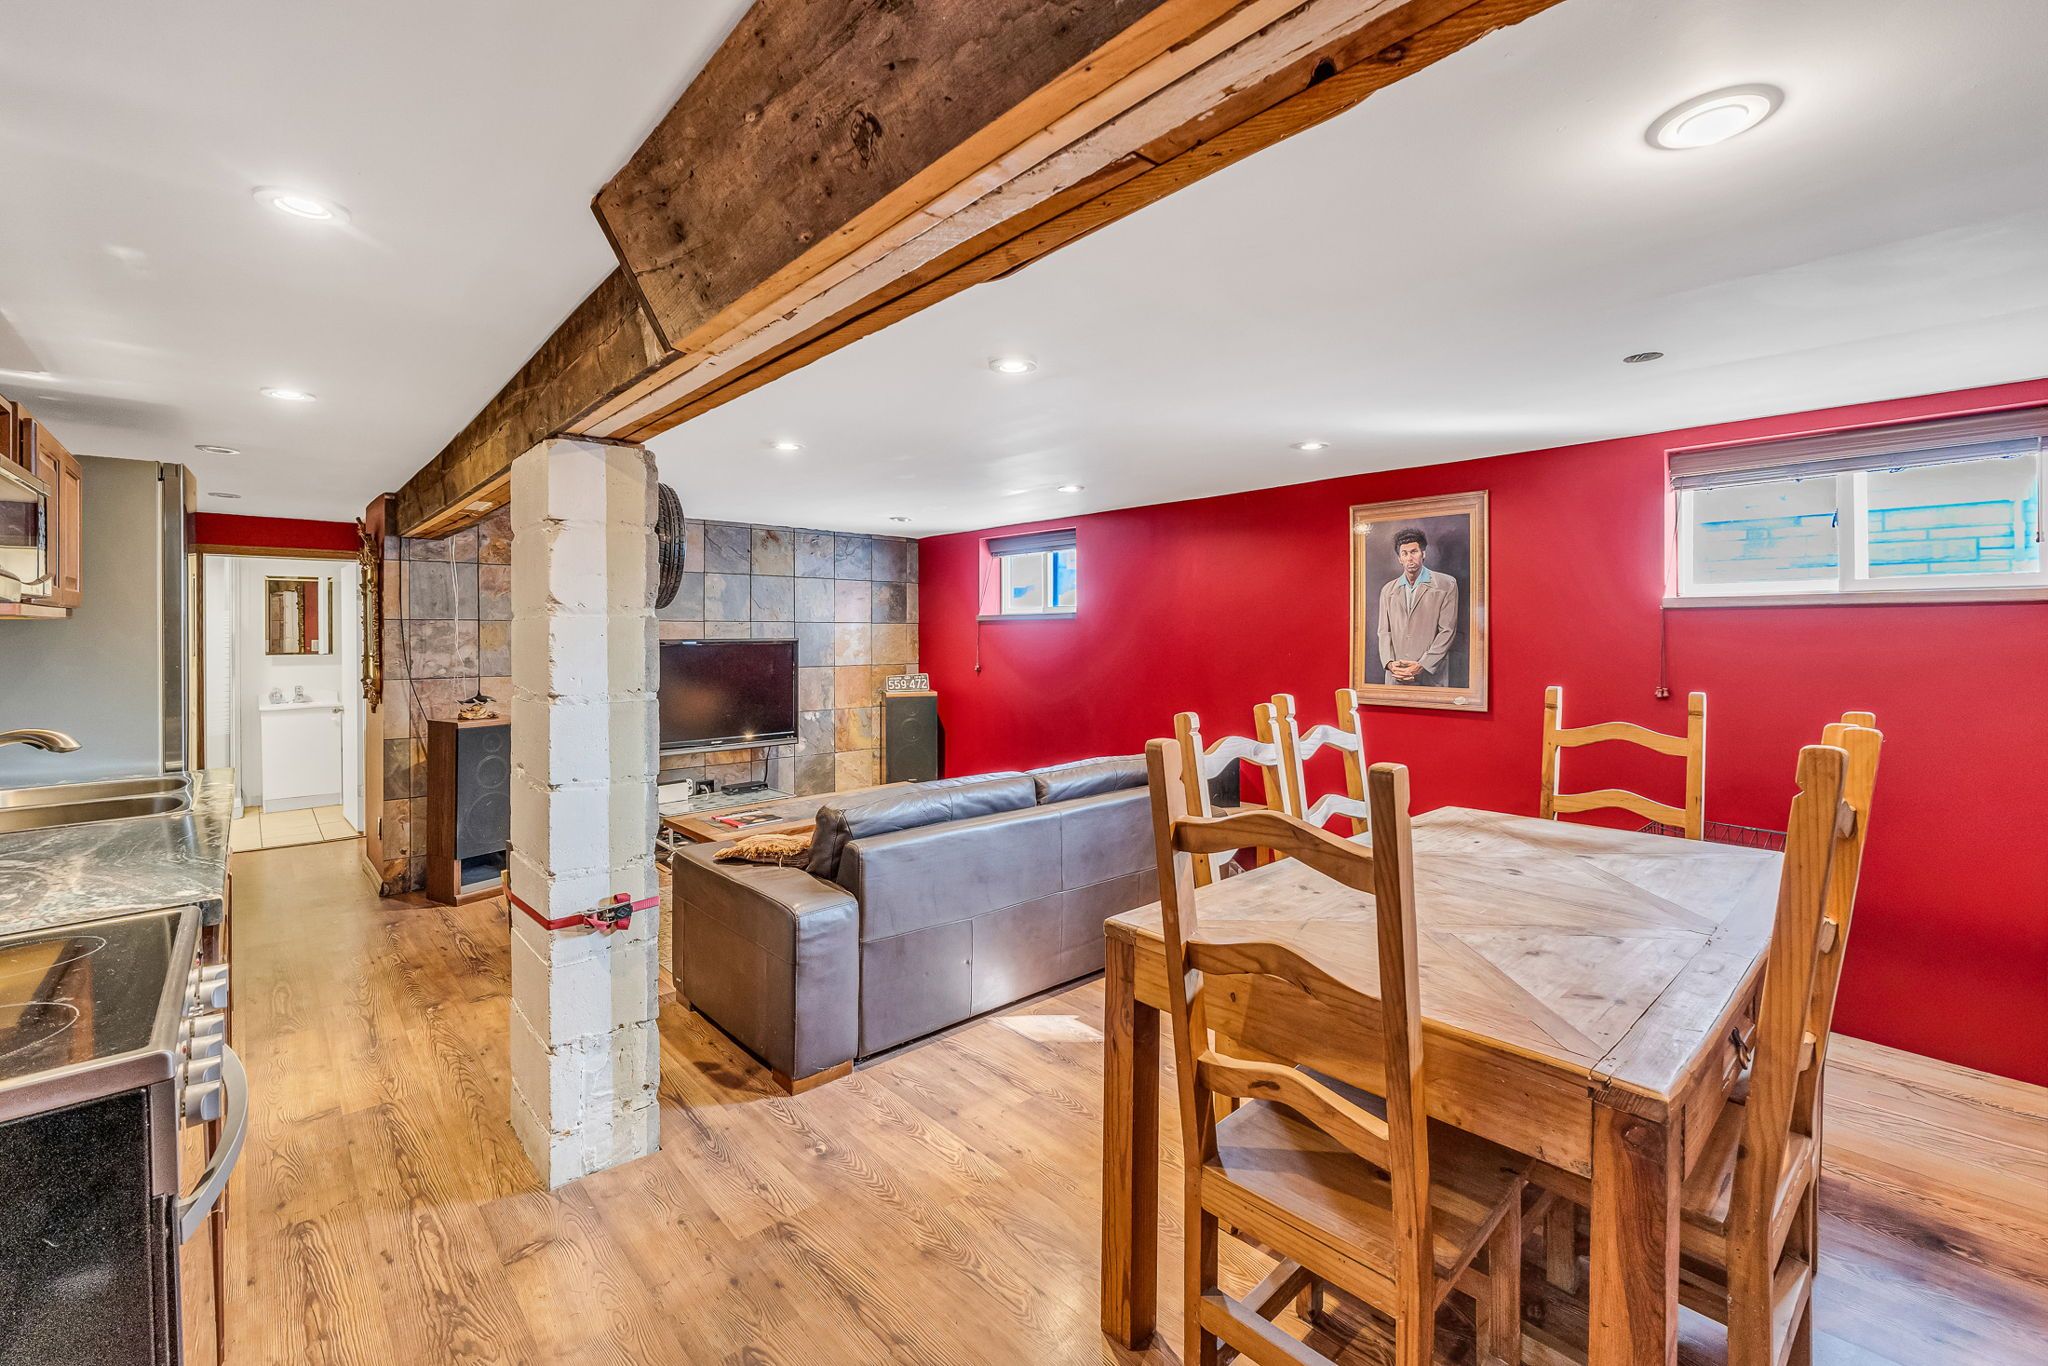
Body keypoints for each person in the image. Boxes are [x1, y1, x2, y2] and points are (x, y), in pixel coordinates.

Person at [1376, 528, 1459, 687]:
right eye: (1404, 553)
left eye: (1414, 552)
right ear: (1400, 559)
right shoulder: (1388, 590)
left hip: (1431, 676)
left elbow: (1447, 631)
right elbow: (1384, 632)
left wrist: (1422, 664)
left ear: (1423, 554)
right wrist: (1389, 663)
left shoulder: (1447, 584)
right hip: (1396, 675)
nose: (1409, 558)